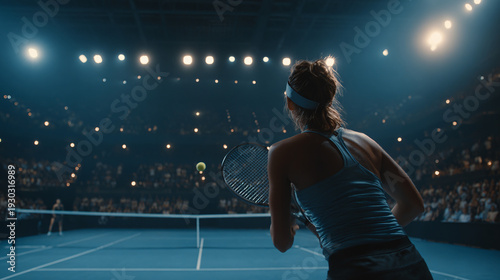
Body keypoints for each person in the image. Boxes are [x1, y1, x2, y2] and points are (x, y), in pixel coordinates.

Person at [268, 59, 433, 279]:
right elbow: (413, 205)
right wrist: (373, 236)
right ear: (329, 98)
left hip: (355, 269)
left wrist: (290, 226)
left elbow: (281, 243)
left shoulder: (281, 152)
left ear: (290, 102)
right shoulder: (366, 142)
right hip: (410, 263)